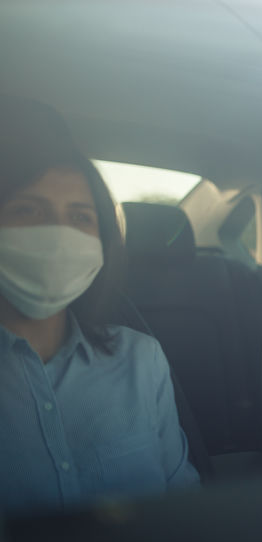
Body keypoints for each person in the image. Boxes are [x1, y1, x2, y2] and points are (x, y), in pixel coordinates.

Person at [0, 95, 199, 515]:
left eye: (80, 217)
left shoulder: (141, 359)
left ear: (102, 244)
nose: (58, 237)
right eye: (28, 209)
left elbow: (184, 508)